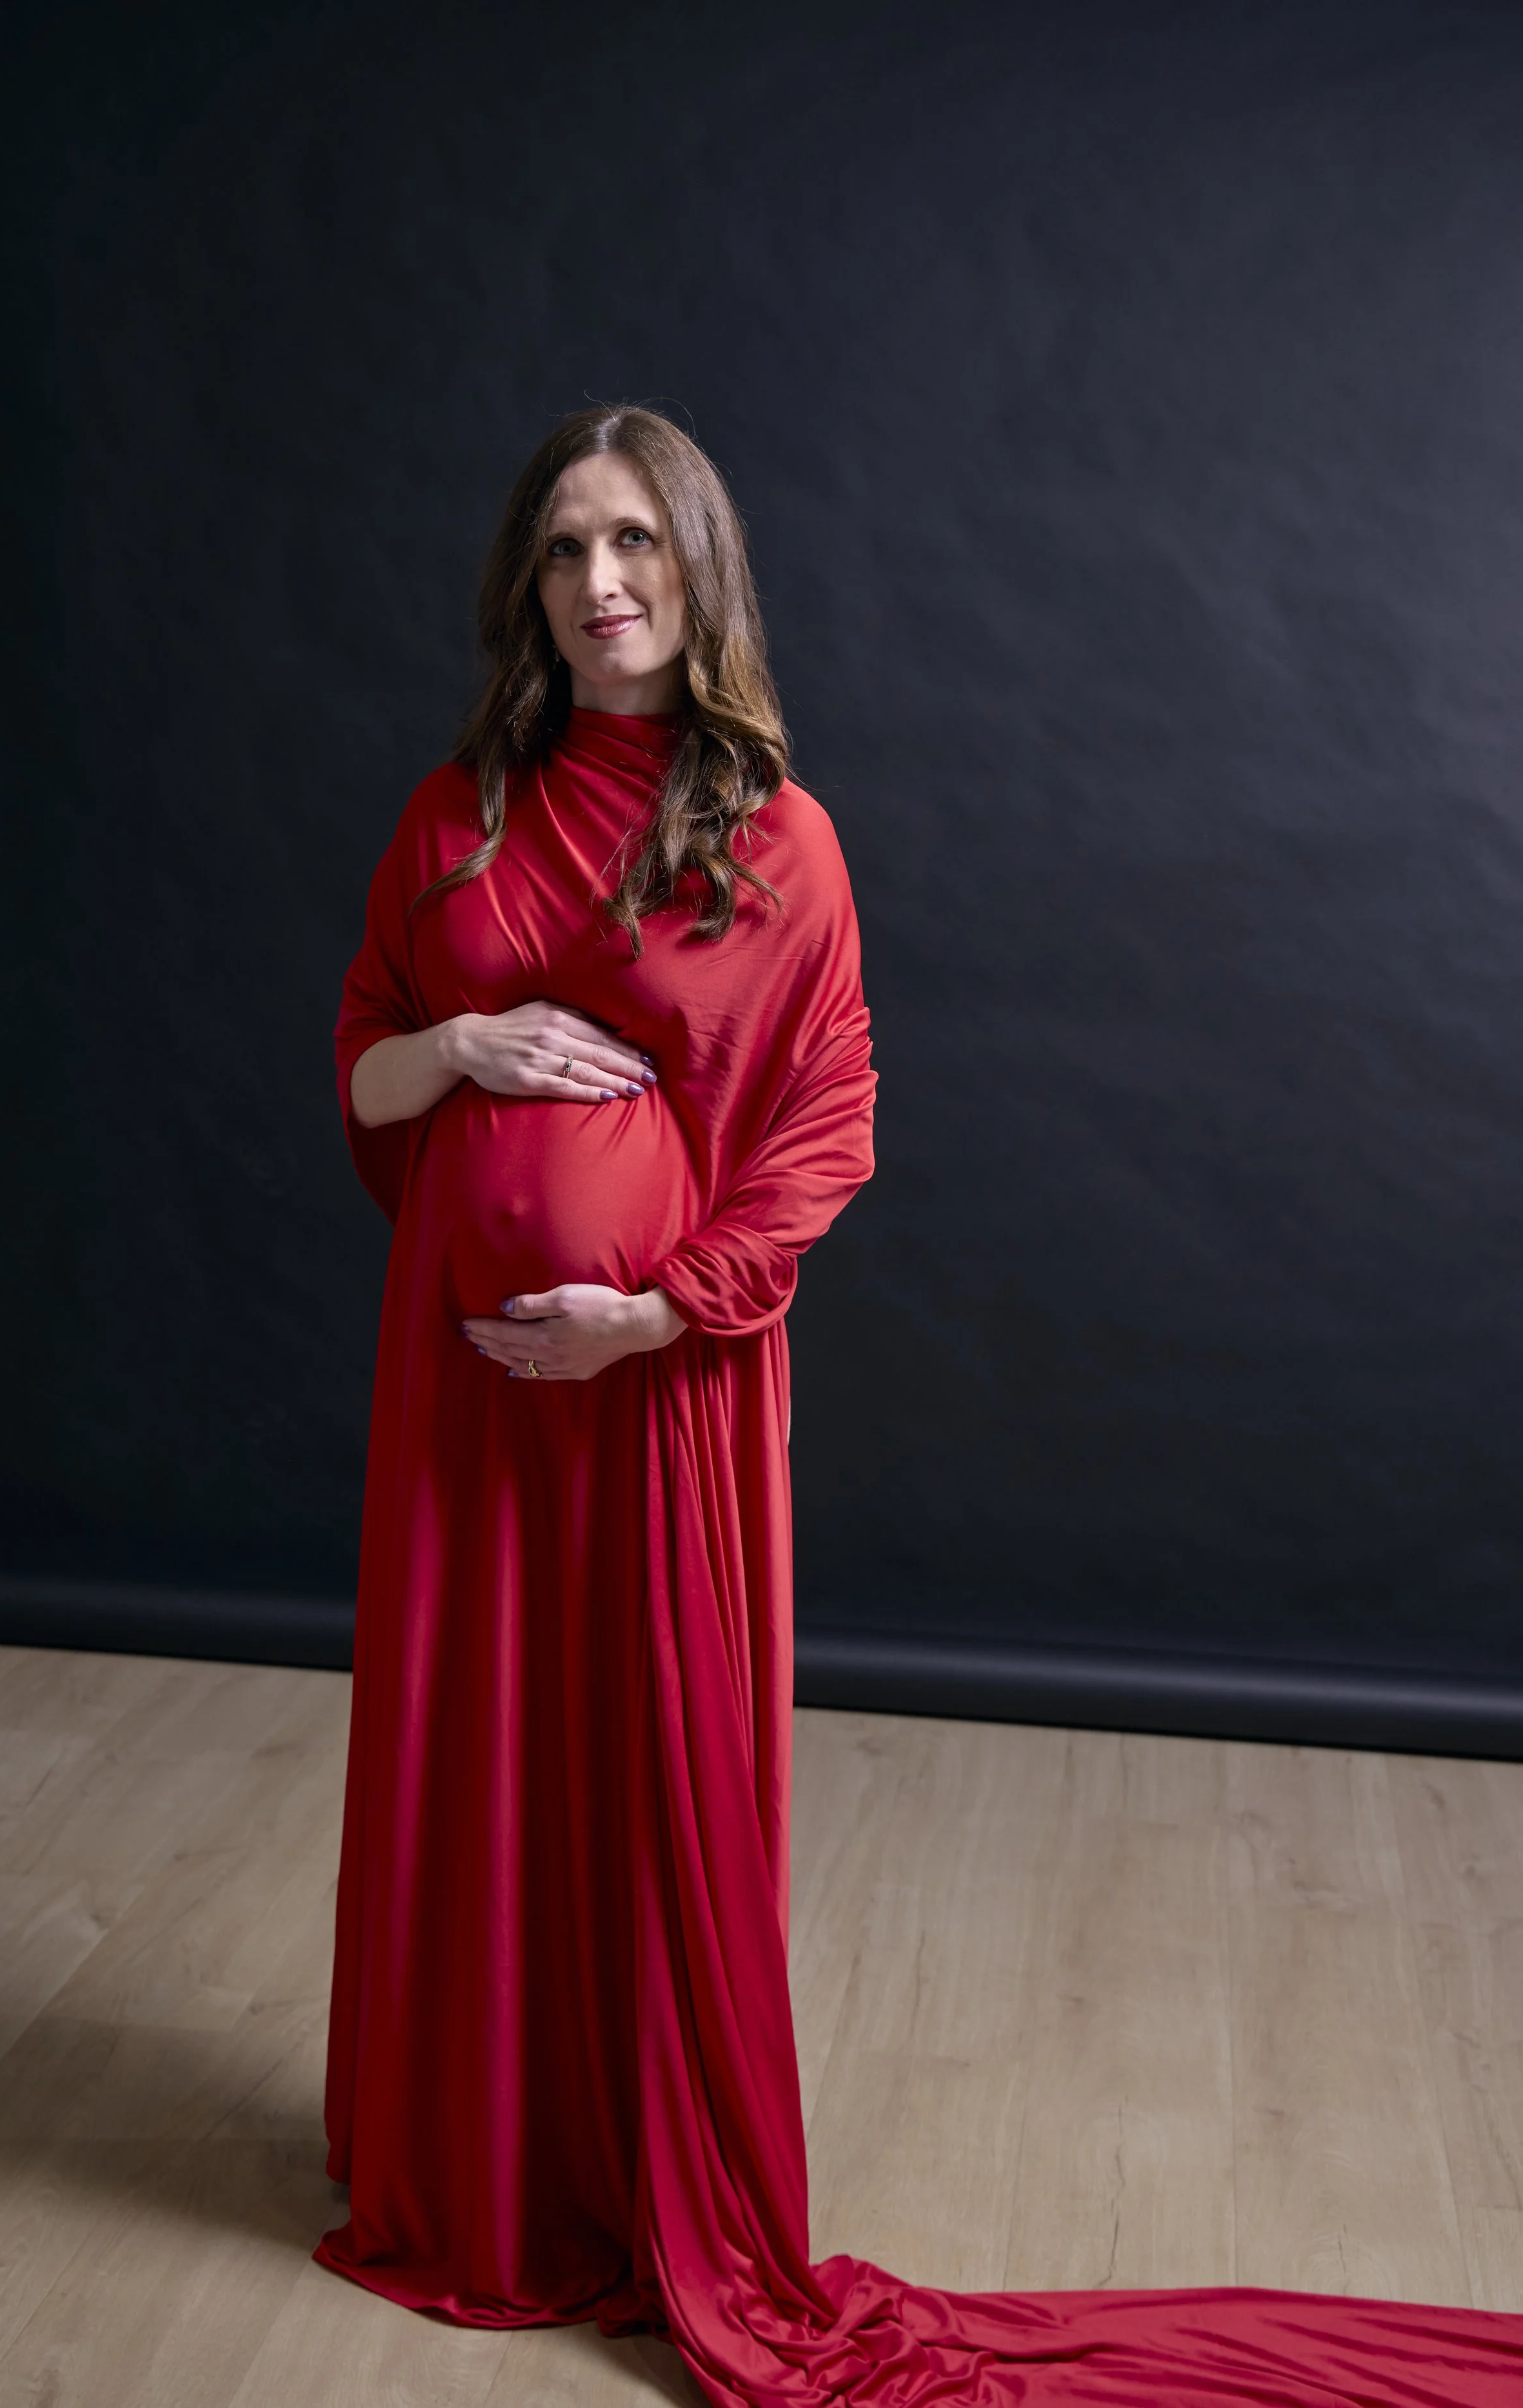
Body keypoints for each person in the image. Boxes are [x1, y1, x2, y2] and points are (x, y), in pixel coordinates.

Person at [316, 406, 1521, 2405]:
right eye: (561, 548)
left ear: (699, 570)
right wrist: (448, 1037)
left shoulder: (775, 836)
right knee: (474, 1759)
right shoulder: (451, 810)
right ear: (521, 584)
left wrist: (651, 1312)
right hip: (457, 1399)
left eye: (636, 543)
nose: (598, 583)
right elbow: (359, 1070)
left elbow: (821, 1129)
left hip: (650, 1402)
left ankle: (628, 2185)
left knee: (634, 1780)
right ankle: (471, 2173)